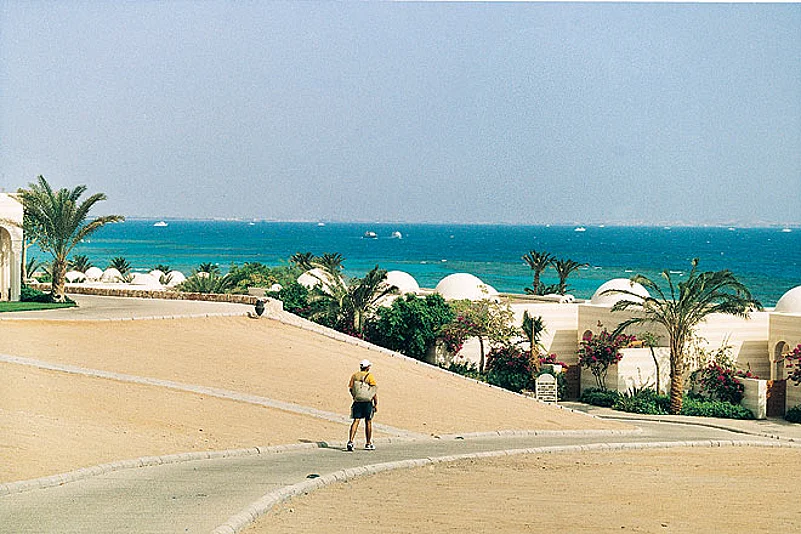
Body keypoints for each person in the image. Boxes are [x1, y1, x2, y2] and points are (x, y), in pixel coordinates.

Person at [347, 359, 378, 451]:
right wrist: (376, 403)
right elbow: (373, 391)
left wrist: (355, 396)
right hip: (367, 402)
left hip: (357, 401)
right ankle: (368, 443)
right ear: (367, 367)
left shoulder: (355, 376)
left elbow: (351, 388)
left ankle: (350, 441)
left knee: (356, 420)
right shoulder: (370, 377)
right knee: (368, 421)